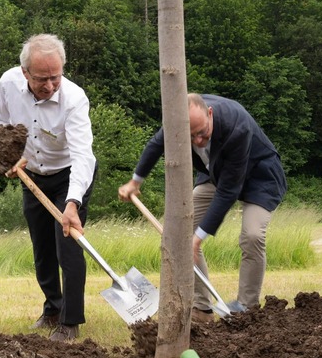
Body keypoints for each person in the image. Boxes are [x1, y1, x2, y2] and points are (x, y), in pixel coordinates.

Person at [118, 93, 287, 320]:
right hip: (215, 174)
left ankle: (246, 310)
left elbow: (229, 191)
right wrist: (135, 182)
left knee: (253, 235)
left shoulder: (237, 126)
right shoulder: (177, 117)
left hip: (259, 176)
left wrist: (198, 239)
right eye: (191, 136)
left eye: (202, 133)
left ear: (210, 113)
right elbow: (156, 145)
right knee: (180, 231)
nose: (198, 141)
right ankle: (202, 307)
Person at [0, 34, 97, 341]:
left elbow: (82, 156)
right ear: (25, 73)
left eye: (56, 77)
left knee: (68, 244)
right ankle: (52, 308)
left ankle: (70, 321)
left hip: (70, 175)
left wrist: (73, 203)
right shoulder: (9, 83)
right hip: (32, 175)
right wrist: (7, 154)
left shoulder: (74, 99)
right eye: (41, 79)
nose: (49, 85)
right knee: (42, 247)